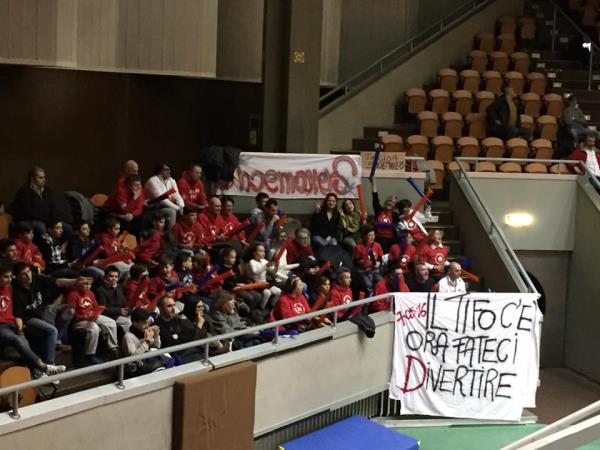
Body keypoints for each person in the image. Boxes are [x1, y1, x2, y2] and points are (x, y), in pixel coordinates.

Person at [0, 265, 66, 377]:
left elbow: (17, 313)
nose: (10, 279)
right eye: (6, 277)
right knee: (17, 340)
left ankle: (37, 372)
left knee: (24, 344)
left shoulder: (11, 288)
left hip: (13, 323)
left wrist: (19, 326)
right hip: (1, 326)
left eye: (11, 277)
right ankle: (44, 367)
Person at [11, 262, 76, 364]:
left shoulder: (35, 278)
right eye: (24, 274)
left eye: (29, 271)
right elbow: (18, 315)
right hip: (30, 318)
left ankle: (56, 342)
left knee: (69, 310)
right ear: (17, 277)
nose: (28, 276)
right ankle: (50, 364)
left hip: (43, 310)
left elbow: (57, 282)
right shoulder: (15, 292)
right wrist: (19, 328)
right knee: (52, 330)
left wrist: (76, 281)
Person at [66, 275, 119, 365]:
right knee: (94, 328)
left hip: (92, 316)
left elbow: (95, 306)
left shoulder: (90, 292)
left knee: (111, 322)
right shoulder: (73, 295)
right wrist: (85, 316)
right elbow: (71, 315)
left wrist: (97, 312)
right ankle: (90, 355)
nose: (88, 286)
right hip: (80, 320)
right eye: (85, 284)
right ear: (79, 283)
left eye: (90, 284)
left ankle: (113, 349)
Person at [10, 166, 73, 239]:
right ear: (32, 179)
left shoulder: (47, 190)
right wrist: (46, 219)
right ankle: (47, 248)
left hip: (47, 219)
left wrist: (54, 220)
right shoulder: (24, 191)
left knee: (68, 228)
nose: (44, 180)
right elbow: (29, 212)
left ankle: (57, 247)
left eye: (44, 177)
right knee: (41, 227)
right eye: (41, 178)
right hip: (31, 220)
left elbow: (53, 206)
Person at [154, 296, 204, 363]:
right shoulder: (157, 326)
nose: (173, 309)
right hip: (179, 358)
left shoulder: (178, 319)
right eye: (169, 306)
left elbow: (192, 336)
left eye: (174, 305)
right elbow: (174, 345)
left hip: (192, 352)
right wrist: (198, 326)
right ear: (160, 308)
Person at [121, 308, 167, 375]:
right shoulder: (128, 337)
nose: (147, 325)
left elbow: (156, 347)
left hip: (150, 362)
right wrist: (146, 342)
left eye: (147, 322)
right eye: (144, 323)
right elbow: (133, 359)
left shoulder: (144, 331)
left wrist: (156, 336)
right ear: (135, 323)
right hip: (136, 369)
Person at [144, 162, 185, 230]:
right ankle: (170, 236)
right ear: (160, 171)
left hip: (164, 206)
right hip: (152, 208)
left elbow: (176, 195)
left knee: (185, 210)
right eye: (166, 169)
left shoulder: (171, 180)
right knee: (172, 212)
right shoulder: (153, 181)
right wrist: (177, 208)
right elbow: (161, 199)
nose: (169, 171)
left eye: (169, 169)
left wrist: (181, 207)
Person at [94, 266, 131, 334]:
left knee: (133, 318)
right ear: (105, 277)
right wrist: (119, 310)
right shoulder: (100, 290)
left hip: (118, 314)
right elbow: (103, 308)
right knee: (126, 322)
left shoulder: (119, 286)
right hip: (107, 316)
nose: (114, 279)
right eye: (111, 276)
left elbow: (123, 300)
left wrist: (128, 308)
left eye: (116, 276)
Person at [247, 242, 282, 309]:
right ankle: (261, 308)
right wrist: (266, 266)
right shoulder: (252, 261)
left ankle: (270, 307)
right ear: (254, 253)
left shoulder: (264, 261)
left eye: (264, 251)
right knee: (267, 293)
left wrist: (276, 266)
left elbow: (273, 273)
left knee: (278, 291)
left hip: (264, 283)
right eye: (260, 251)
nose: (263, 253)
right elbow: (255, 272)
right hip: (257, 284)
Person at [352, 225, 383, 297]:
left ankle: (378, 300)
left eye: (374, 235)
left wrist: (378, 263)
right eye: (370, 235)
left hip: (374, 270)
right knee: (368, 285)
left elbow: (380, 259)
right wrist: (361, 263)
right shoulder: (358, 247)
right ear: (365, 236)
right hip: (363, 271)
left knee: (381, 281)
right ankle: (367, 304)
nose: (373, 237)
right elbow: (355, 261)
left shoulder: (377, 245)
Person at [370, 179, 399, 253]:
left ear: (394, 206)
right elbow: (375, 197)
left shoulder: (395, 215)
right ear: (386, 202)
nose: (390, 203)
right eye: (389, 201)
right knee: (383, 243)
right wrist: (373, 182)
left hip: (392, 239)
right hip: (379, 238)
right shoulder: (379, 210)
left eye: (393, 202)